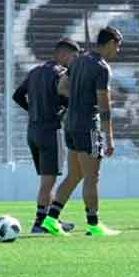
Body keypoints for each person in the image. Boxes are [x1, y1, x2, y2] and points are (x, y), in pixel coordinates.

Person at [49, 26, 122, 237]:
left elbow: (61, 86)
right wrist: (109, 138)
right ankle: (93, 224)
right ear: (110, 43)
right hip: (88, 125)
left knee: (74, 175)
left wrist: (78, 100)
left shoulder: (79, 60)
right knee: (92, 177)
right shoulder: (102, 67)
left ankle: (51, 219)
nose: (118, 50)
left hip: (70, 124)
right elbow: (104, 105)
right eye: (118, 46)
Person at [11, 37, 81, 235]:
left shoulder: (34, 72)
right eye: (74, 56)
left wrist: (33, 110)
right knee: (48, 181)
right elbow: (67, 97)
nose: (74, 61)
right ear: (63, 54)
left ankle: (53, 219)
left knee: (47, 178)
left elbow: (17, 95)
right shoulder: (60, 73)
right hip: (50, 131)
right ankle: (40, 222)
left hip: (32, 130)